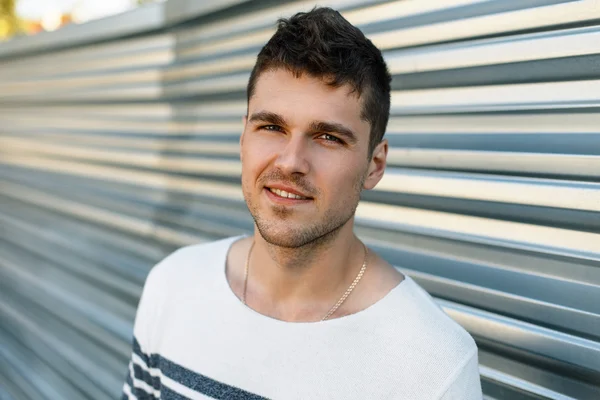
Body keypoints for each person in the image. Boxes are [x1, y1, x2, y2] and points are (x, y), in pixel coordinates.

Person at [122, 7, 482, 400]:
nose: (291, 161)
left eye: (328, 137)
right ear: (243, 137)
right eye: (272, 127)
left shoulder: (434, 366)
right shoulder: (172, 286)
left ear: (374, 165)